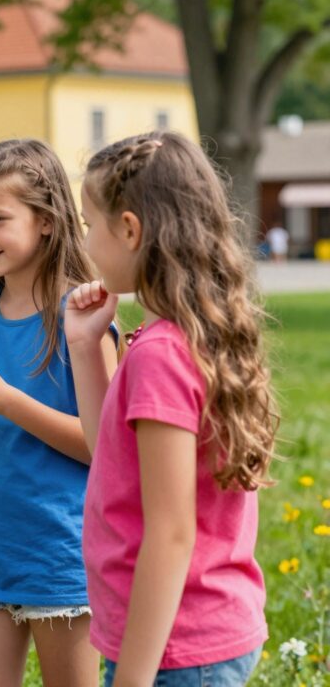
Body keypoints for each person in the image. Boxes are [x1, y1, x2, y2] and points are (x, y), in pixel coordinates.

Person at [66, 130, 277, 686]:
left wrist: (133, 678)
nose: (85, 243)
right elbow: (108, 455)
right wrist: (87, 347)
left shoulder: (161, 352)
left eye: (90, 225)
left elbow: (171, 531)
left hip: (173, 653)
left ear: (130, 229)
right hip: (196, 638)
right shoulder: (188, 336)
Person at [0, 140, 118, 686]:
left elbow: (99, 446)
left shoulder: (81, 317)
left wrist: (7, 401)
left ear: (47, 223)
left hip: (62, 554)